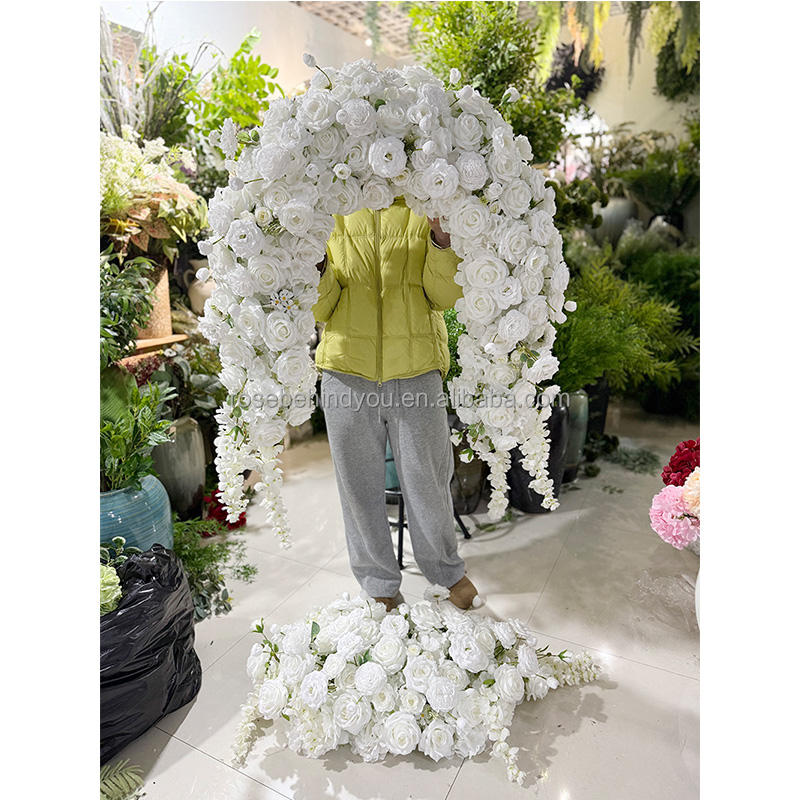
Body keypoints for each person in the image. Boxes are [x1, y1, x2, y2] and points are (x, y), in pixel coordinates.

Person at [312, 196, 481, 612]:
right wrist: (315, 264)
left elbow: (445, 296)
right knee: (357, 487)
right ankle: (379, 584)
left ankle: (447, 571)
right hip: (346, 371)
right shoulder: (330, 204)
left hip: (416, 367)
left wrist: (441, 240)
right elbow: (320, 307)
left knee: (429, 481)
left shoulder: (424, 201)